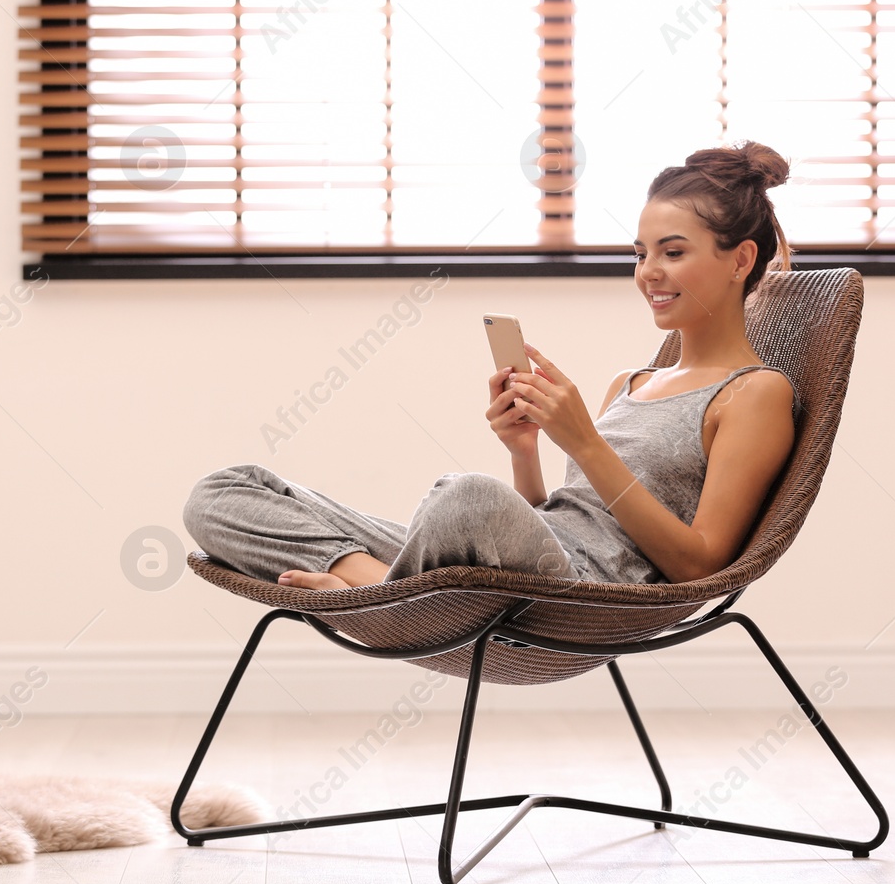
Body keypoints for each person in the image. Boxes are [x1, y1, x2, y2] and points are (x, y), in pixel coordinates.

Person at [182, 140, 799, 590]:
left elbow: (700, 565)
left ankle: (374, 595)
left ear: (741, 259)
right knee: (223, 491)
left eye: (673, 252)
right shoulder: (630, 383)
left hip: (584, 588)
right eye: (640, 253)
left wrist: (586, 444)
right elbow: (550, 518)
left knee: (466, 498)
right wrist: (525, 452)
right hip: (518, 554)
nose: (649, 273)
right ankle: (371, 586)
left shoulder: (755, 395)